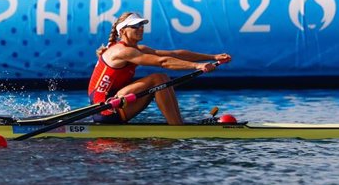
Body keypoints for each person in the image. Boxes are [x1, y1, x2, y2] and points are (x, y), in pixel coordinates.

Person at [87, 12, 231, 125]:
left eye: (142, 25)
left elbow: (174, 54)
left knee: (162, 79)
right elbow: (163, 62)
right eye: (135, 26)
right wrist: (197, 66)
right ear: (123, 31)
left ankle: (177, 124)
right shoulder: (122, 51)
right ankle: (177, 128)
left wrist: (213, 57)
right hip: (106, 109)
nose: (141, 28)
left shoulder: (137, 49)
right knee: (158, 78)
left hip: (119, 100)